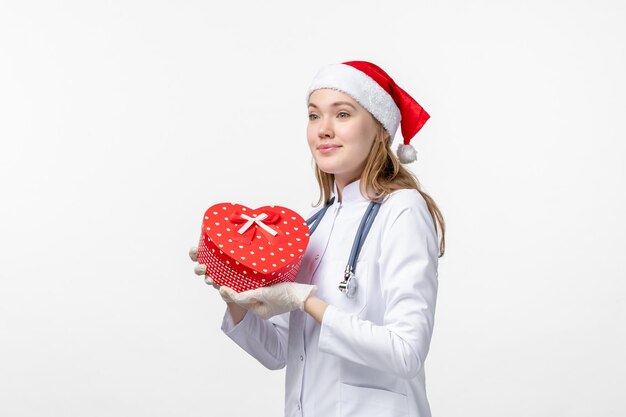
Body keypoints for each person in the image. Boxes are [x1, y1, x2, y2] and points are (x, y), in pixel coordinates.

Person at [189, 60, 446, 417]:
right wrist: (235, 293)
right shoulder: (312, 228)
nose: (323, 130)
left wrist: (304, 300)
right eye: (314, 116)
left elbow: (406, 352)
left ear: (381, 129)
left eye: (342, 114)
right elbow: (279, 352)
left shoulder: (402, 210)